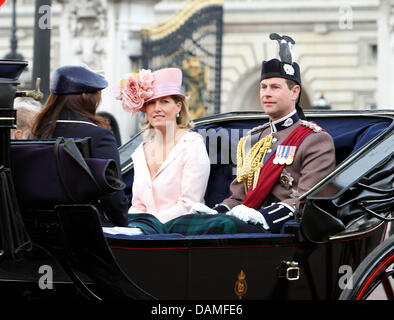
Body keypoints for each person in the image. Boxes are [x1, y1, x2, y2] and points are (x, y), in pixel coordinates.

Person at [190, 34, 336, 234]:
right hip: (245, 227)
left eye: (275, 87)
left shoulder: (315, 139)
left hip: (279, 231)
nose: (266, 93)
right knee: (187, 225)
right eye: (263, 87)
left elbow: (307, 198)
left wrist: (263, 217)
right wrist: (217, 211)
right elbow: (238, 197)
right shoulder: (252, 139)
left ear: (294, 92)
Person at [31, 65, 129, 227]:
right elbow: (113, 197)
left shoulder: (37, 132)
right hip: (88, 229)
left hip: (41, 227)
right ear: (85, 96)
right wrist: (126, 224)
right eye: (97, 94)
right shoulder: (100, 136)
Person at [117, 67, 211, 234]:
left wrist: (147, 226)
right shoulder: (140, 152)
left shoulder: (192, 144)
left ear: (178, 107)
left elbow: (189, 204)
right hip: (144, 236)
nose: (157, 108)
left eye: (164, 101)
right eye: (151, 102)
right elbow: (138, 205)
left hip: (181, 235)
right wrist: (129, 227)